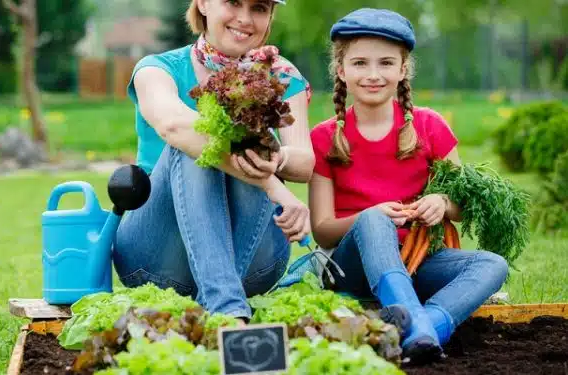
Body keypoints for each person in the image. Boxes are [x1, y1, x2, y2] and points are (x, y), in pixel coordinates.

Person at [308, 8, 509, 364]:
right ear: (341, 70)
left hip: (419, 261)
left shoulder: (430, 126)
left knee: (492, 264)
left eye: (386, 63)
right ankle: (418, 322)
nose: (373, 74)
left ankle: (423, 326)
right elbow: (323, 232)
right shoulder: (325, 137)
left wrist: (442, 202)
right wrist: (369, 216)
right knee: (372, 220)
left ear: (403, 71)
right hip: (352, 270)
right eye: (359, 64)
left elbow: (461, 207)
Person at [112, 0, 315, 323]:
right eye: (233, 2)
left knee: (247, 136)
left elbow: (304, 163)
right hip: (157, 258)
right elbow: (173, 125)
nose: (245, 18)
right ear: (203, 3)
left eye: (260, 8)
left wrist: (277, 157)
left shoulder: (281, 75)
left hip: (253, 262)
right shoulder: (156, 69)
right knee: (194, 136)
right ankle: (227, 310)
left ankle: (222, 302)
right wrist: (271, 183)